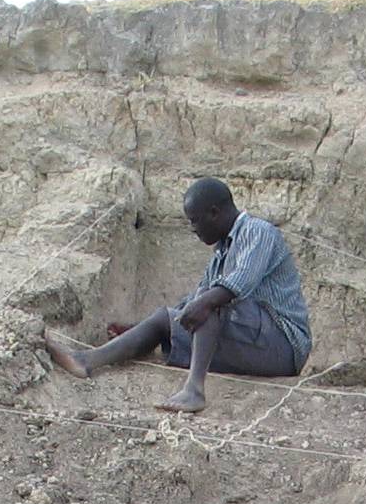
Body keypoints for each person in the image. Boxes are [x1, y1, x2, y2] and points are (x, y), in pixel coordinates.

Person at [45, 177, 311, 415]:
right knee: (167, 318)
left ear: (214, 213)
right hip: (253, 339)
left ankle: (194, 390)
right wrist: (140, 329)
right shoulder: (221, 253)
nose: (193, 229)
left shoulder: (258, 231)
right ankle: (88, 361)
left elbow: (241, 281)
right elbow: (190, 305)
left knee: (209, 302)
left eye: (194, 220)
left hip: (284, 344)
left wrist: (204, 301)